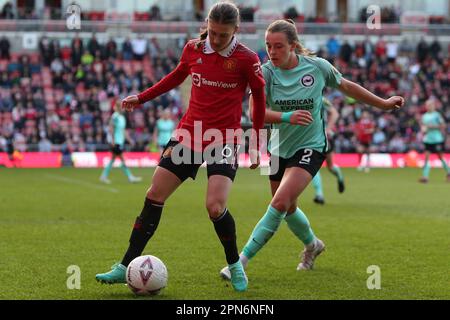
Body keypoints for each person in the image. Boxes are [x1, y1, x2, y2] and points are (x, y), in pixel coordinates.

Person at [95, 2, 266, 292]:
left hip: (223, 138)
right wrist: (143, 97)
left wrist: (257, 140)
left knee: (214, 206)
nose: (215, 39)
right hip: (189, 134)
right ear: (207, 25)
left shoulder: (247, 59)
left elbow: (259, 98)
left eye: (223, 35)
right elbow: (176, 76)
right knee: (154, 194)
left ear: (236, 31)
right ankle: (124, 265)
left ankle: (235, 265)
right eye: (212, 32)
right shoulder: (193, 49)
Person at [220, 19, 404, 280]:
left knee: (279, 202)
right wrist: (284, 120)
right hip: (278, 149)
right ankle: (312, 245)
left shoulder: (317, 68)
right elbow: (255, 113)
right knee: (288, 208)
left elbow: (347, 86)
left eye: (279, 46)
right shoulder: (265, 72)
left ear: (293, 45)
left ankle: (240, 262)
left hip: (311, 146)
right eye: (268, 46)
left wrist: (383, 104)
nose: (272, 52)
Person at [311, 97, 345, 205]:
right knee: (312, 165)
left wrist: (328, 129)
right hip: (310, 138)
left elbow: (334, 113)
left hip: (323, 137)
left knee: (330, 167)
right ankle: (319, 194)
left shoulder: (320, 99)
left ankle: (340, 178)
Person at [99, 100, 142, 184]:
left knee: (113, 159)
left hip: (120, 142)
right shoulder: (115, 116)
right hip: (116, 142)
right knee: (121, 159)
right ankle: (130, 177)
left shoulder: (122, 118)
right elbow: (111, 129)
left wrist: (129, 140)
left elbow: (123, 131)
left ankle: (104, 176)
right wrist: (113, 141)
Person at [418, 98, 450, 183]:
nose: (428, 107)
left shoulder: (437, 115)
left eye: (430, 105)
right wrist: (423, 130)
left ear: (433, 106)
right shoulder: (424, 116)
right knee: (426, 158)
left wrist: (433, 126)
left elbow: (443, 125)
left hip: (437, 139)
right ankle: (425, 177)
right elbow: (423, 127)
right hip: (428, 140)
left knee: (440, 157)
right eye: (427, 105)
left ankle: (449, 173)